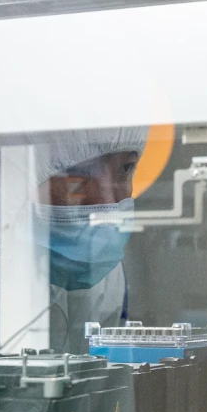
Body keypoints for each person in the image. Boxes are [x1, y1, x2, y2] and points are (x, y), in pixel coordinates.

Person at [32, 128, 146, 354]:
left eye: (125, 168)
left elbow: (109, 384)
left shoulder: (106, 273)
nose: (108, 201)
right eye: (78, 174)